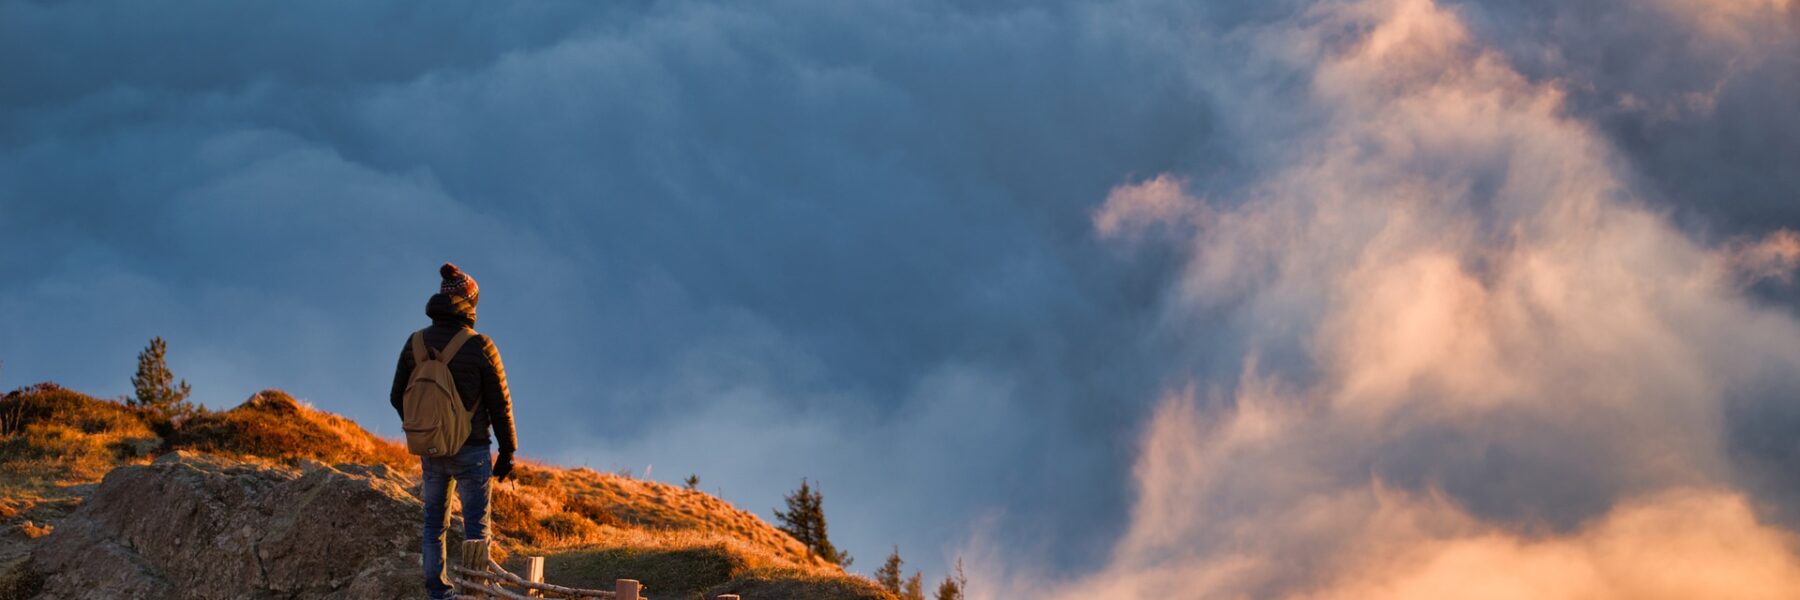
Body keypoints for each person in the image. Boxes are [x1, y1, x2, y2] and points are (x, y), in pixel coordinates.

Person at [390, 262, 518, 600]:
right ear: (469, 303)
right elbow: (500, 404)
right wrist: (508, 452)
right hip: (472, 450)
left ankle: (438, 595)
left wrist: (427, 427)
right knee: (477, 529)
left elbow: (396, 396)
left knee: (434, 527)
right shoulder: (480, 346)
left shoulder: (414, 343)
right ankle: (474, 592)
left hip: (432, 451)